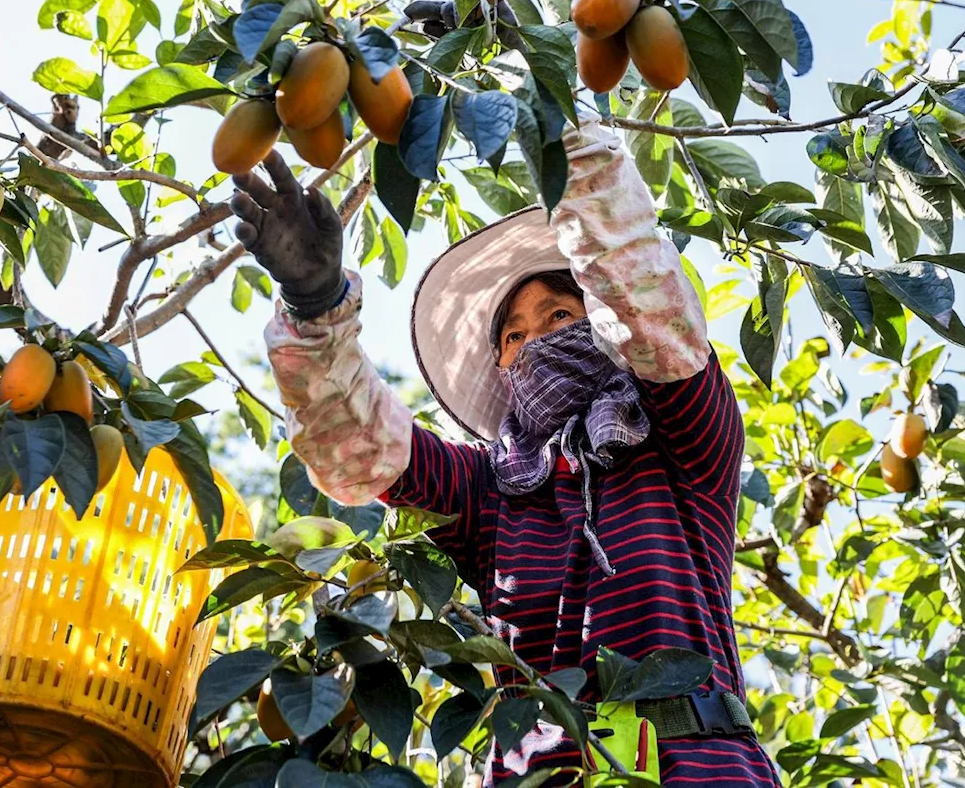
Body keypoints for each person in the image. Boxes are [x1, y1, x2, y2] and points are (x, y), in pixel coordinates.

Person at [229, 118, 780, 787]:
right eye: (514, 336)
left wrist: (548, 112)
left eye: (558, 315)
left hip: (699, 767)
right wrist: (315, 308)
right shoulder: (492, 492)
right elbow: (362, 448)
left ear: (601, 324)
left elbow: (649, 305)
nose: (536, 342)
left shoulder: (682, 443)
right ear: (501, 366)